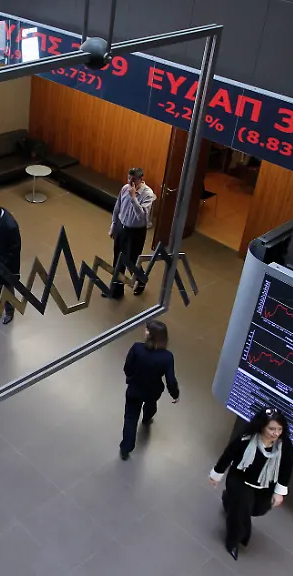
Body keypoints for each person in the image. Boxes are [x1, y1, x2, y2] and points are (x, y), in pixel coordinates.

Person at [209, 407, 293, 561]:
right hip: (240, 480)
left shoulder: (284, 445)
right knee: (242, 508)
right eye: (272, 429)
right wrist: (217, 474)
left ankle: (229, 501)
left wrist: (279, 492)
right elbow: (228, 455)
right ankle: (233, 541)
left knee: (259, 508)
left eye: (280, 429)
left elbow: (287, 467)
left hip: (264, 484)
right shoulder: (246, 439)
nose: (276, 433)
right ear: (262, 426)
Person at [119, 320, 179, 460]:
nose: (145, 331)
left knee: (130, 418)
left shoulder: (137, 348)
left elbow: (127, 368)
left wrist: (131, 377)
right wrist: (175, 394)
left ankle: (126, 448)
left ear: (152, 335)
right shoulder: (167, 357)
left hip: (134, 389)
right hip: (153, 391)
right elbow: (170, 379)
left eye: (147, 330)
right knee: (151, 405)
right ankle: (147, 418)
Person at [107, 168, 156, 299]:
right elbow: (118, 206)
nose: (130, 181)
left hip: (135, 232)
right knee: (118, 259)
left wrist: (134, 197)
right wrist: (113, 225)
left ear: (141, 179)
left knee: (132, 260)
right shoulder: (124, 188)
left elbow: (142, 217)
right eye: (128, 178)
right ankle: (116, 291)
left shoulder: (148, 194)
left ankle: (141, 280)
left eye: (133, 179)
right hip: (121, 228)